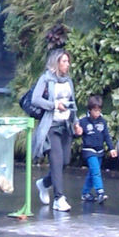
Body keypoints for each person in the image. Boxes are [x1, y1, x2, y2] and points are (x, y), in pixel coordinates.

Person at [32, 48, 81, 213]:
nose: (67, 64)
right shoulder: (46, 79)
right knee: (57, 161)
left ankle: (44, 183)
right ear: (56, 63)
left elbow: (72, 102)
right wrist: (54, 105)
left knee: (65, 162)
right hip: (51, 126)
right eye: (64, 61)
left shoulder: (68, 81)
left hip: (65, 125)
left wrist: (76, 122)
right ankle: (59, 198)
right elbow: (35, 99)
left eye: (68, 61)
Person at [78, 94, 116, 202]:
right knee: (96, 171)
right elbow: (76, 133)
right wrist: (77, 131)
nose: (97, 113)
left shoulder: (102, 121)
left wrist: (111, 148)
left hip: (99, 150)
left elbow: (106, 136)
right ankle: (100, 191)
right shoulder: (84, 121)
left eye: (99, 110)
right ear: (90, 110)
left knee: (92, 172)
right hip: (89, 150)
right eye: (95, 110)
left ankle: (85, 193)